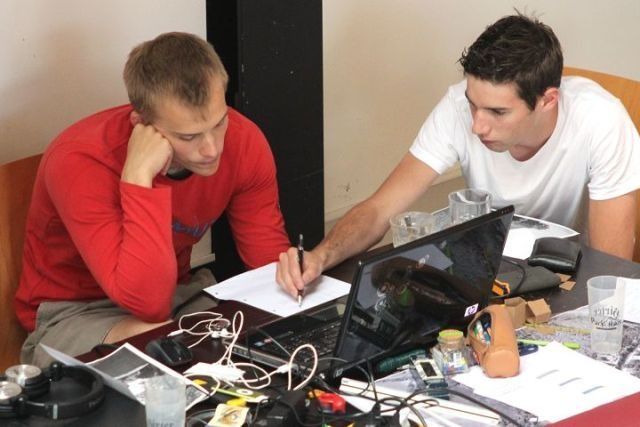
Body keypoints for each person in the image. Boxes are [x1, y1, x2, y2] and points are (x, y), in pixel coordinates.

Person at [276, 13, 640, 299]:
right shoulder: (456, 107)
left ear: (547, 101)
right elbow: (378, 210)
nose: (477, 125)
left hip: (567, 278)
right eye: (472, 105)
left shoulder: (601, 119)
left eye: (498, 112)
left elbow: (610, 268)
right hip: (487, 274)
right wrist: (320, 256)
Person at [16, 32, 291, 366]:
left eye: (219, 123)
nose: (211, 149)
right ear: (141, 124)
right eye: (188, 136)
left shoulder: (244, 140)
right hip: (76, 313)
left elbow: (268, 266)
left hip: (176, 297)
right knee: (166, 353)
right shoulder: (79, 161)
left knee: (258, 342)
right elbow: (148, 304)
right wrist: (138, 179)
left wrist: (296, 279)